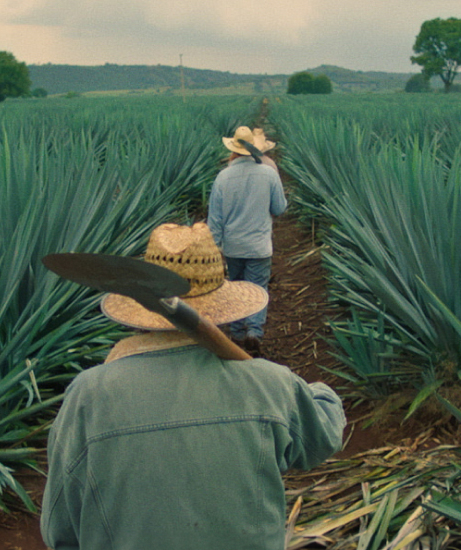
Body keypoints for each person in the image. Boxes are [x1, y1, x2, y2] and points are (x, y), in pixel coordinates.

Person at [41, 222, 346, 550]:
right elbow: (324, 437)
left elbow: (59, 531)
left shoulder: (89, 395)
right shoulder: (270, 385)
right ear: (225, 307)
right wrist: (300, 389)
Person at [208, 126, 288, 353]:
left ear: (233, 150)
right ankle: (254, 332)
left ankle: (236, 334)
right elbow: (280, 208)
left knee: (235, 287)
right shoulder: (269, 173)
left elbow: (215, 219)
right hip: (259, 245)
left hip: (233, 246)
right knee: (257, 289)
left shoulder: (223, 177)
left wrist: (214, 249)